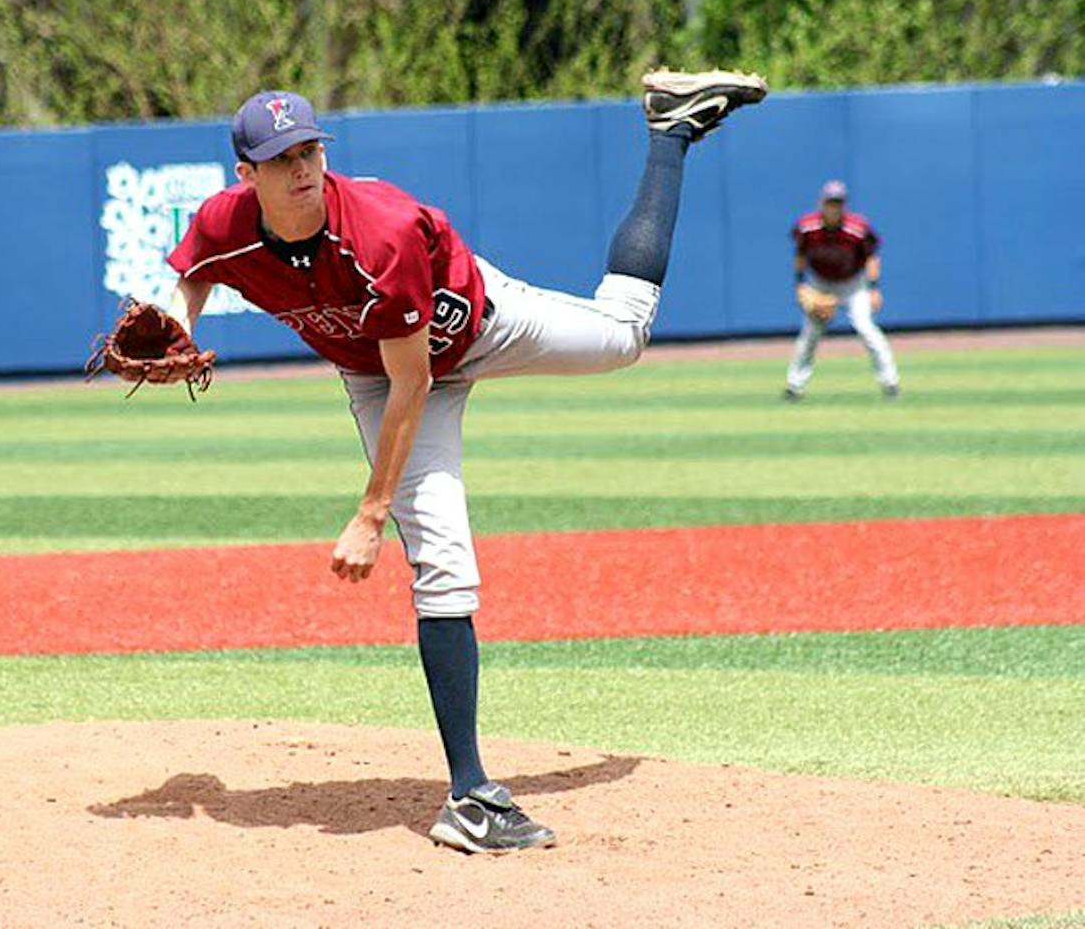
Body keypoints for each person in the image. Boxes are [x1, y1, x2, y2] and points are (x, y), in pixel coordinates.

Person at [164, 71, 766, 853]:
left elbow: (417, 380)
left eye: (311, 149)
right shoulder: (224, 222)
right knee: (445, 566)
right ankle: (470, 796)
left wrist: (371, 512)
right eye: (282, 159)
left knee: (624, 338)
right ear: (247, 176)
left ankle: (671, 131)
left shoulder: (377, 230)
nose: (303, 168)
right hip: (376, 370)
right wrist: (171, 321)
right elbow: (192, 272)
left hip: (480, 323)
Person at [785, 180, 900, 400]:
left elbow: (871, 256)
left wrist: (874, 288)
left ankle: (890, 382)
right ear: (821, 203)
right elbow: (799, 254)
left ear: (844, 205)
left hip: (853, 284)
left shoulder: (857, 228)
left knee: (866, 329)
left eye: (838, 203)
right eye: (830, 202)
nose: (833, 207)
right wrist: (801, 285)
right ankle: (794, 386)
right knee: (810, 334)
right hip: (821, 283)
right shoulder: (807, 226)